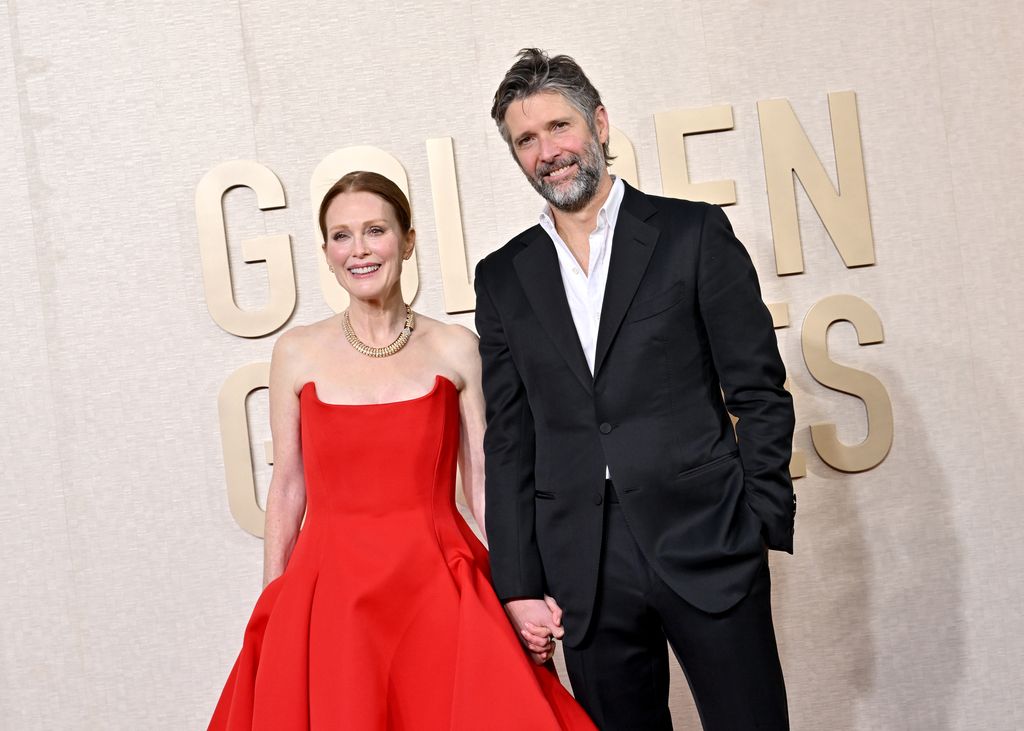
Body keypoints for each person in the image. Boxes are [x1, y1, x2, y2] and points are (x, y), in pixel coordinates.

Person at [475, 49, 796, 730]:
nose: (548, 152)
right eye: (525, 139)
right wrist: (518, 583)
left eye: (559, 127)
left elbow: (759, 388)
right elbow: (509, 440)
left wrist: (756, 518)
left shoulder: (691, 234)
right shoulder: (503, 277)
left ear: (598, 123)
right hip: (583, 570)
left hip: (708, 537)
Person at [209, 171, 595, 730]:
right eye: (342, 236)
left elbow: (484, 483)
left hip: (437, 584)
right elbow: (288, 486)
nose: (359, 250)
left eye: (375, 230)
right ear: (326, 252)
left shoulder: (458, 348)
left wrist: (521, 588)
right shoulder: (295, 352)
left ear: (408, 240)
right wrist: (274, 602)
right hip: (332, 594)